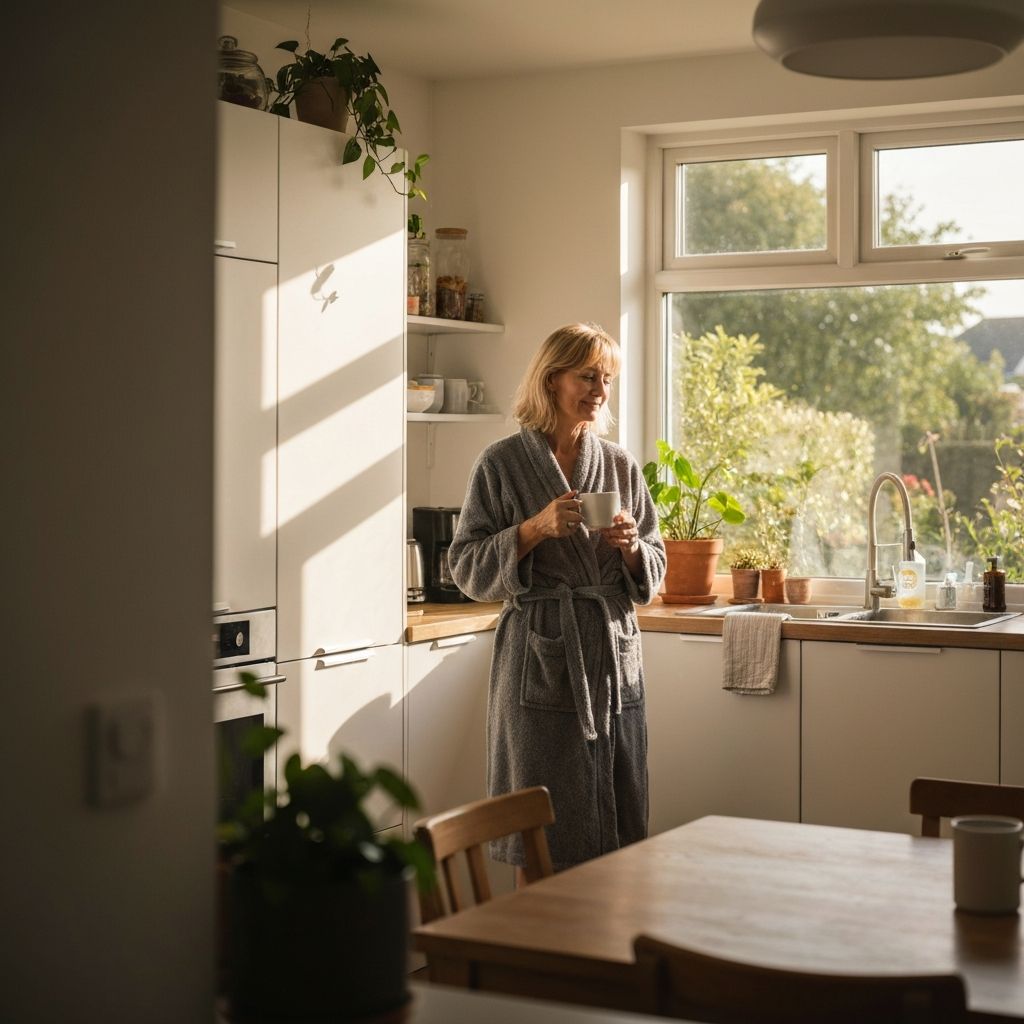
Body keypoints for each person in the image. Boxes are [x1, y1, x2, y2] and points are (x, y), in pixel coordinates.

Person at [448, 322, 667, 871]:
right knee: (540, 840)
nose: (600, 390)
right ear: (551, 379)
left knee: (618, 828)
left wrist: (631, 548)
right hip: (539, 658)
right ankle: (535, 932)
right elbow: (466, 568)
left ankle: (608, 931)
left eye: (607, 379)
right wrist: (533, 529)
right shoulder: (500, 464)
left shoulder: (619, 464)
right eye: (588, 376)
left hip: (611, 658)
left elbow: (656, 565)